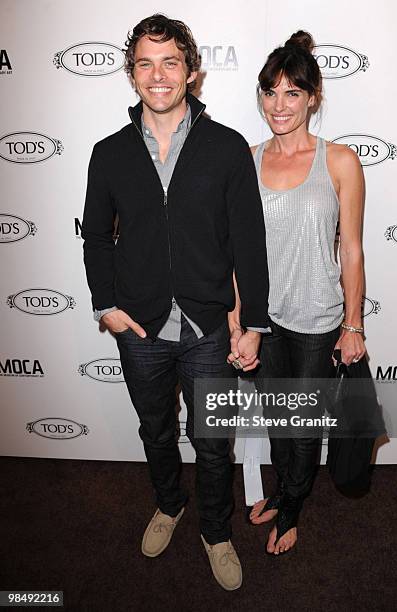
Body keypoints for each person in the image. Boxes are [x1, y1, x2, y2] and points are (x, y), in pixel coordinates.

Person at [81, 14, 269, 591]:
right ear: (131, 73)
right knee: (157, 431)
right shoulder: (108, 153)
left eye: (170, 62)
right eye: (145, 63)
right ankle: (169, 503)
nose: (157, 75)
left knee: (214, 441)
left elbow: (248, 243)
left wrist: (253, 323)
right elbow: (94, 235)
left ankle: (216, 530)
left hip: (209, 326)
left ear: (192, 71)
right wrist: (104, 304)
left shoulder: (227, 147)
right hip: (139, 328)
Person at [228, 30, 366, 555]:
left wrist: (353, 325)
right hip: (264, 321)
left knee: (303, 426)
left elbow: (350, 250)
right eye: (269, 92)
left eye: (291, 93)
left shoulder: (340, 161)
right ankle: (288, 489)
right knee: (278, 420)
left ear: (313, 97)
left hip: (315, 319)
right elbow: (237, 254)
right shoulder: (246, 157)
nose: (278, 106)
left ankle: (290, 508)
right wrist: (238, 321)